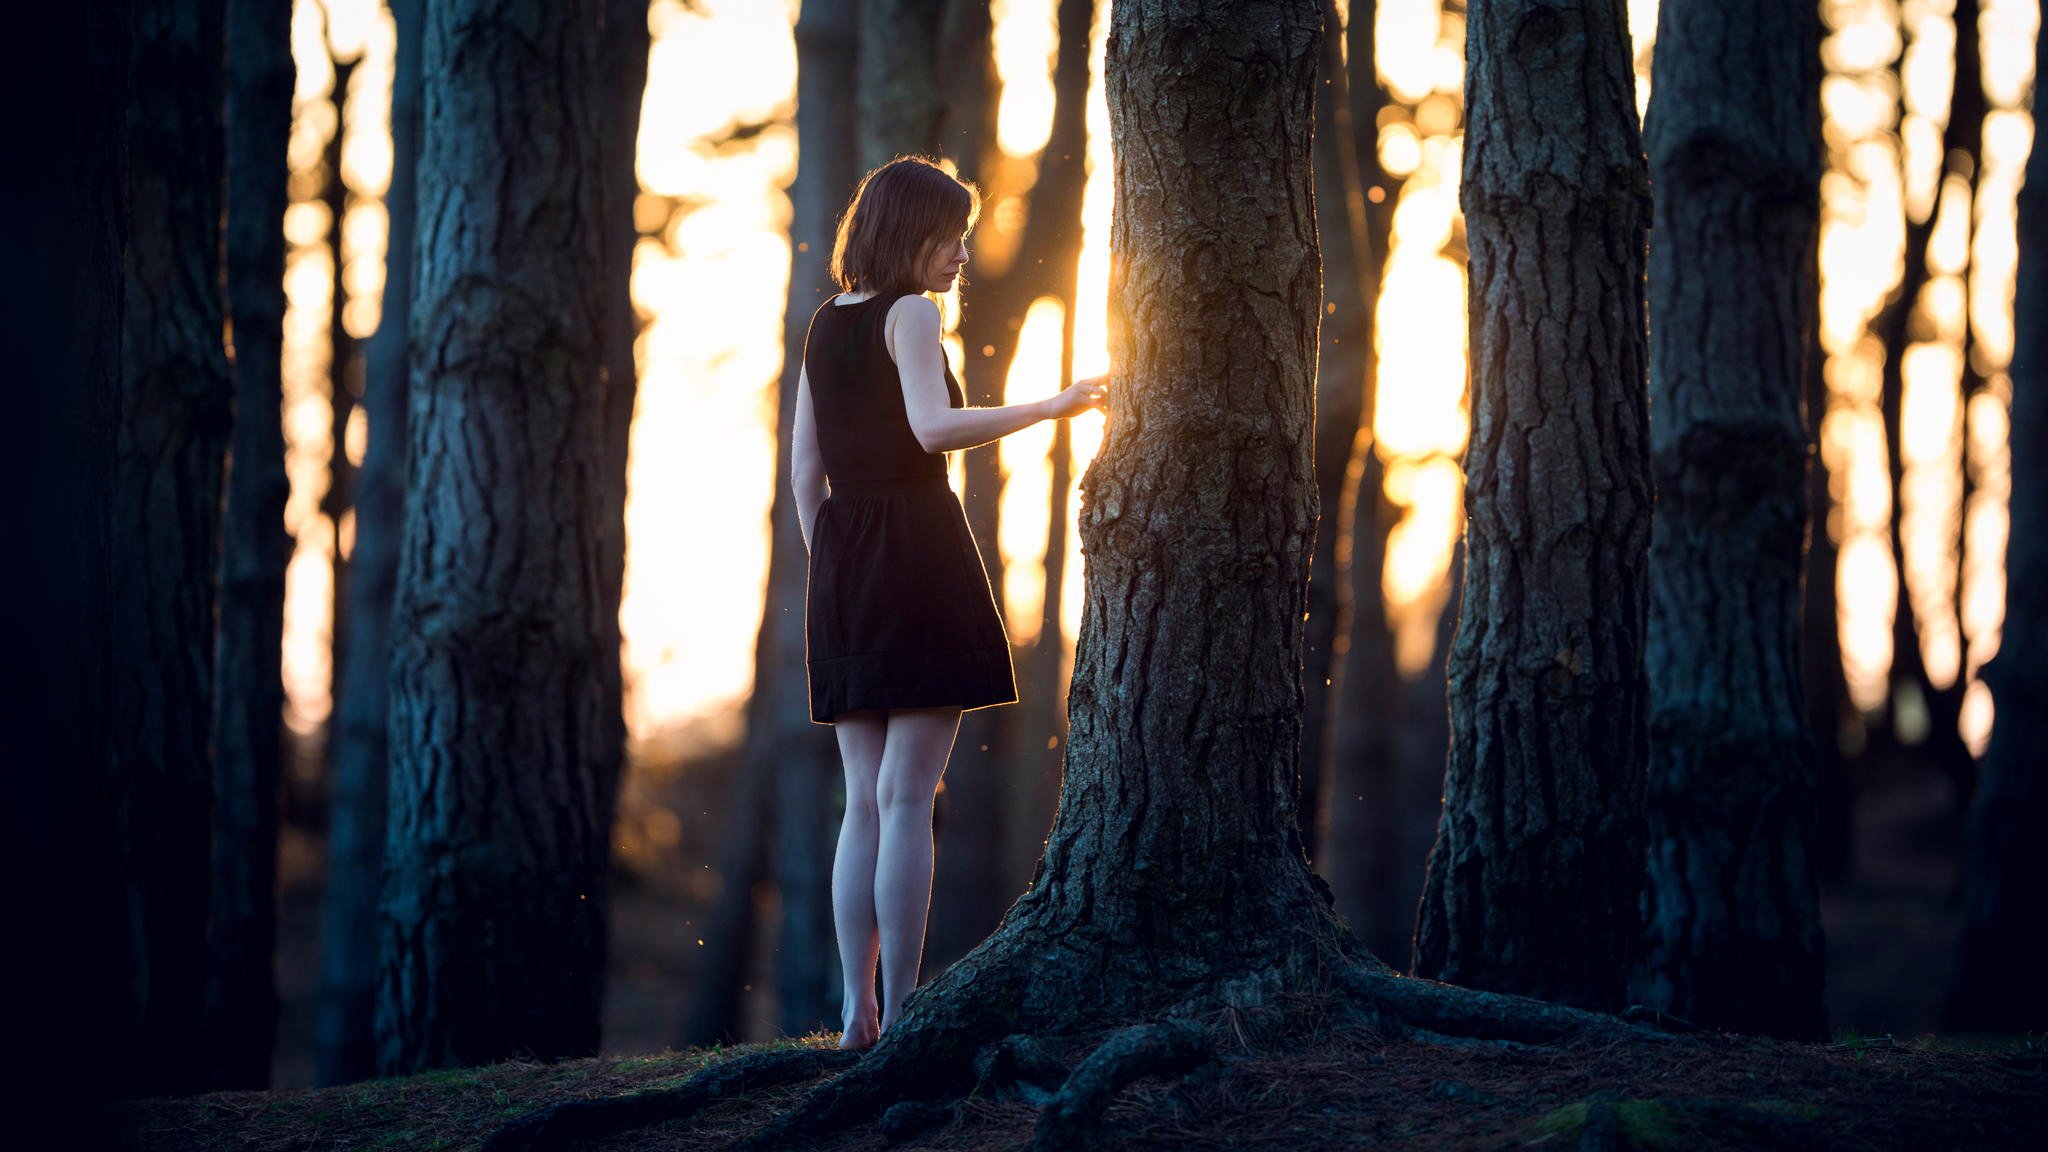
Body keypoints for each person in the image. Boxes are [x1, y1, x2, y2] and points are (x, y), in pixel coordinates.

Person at [789, 155, 1108, 1051]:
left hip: (845, 563)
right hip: (919, 553)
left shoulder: (824, 324)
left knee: (864, 800)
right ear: (910, 233)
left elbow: (805, 471)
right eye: (951, 234)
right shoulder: (913, 314)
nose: (962, 253)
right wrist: (1053, 406)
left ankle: (857, 1012)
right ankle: (905, 1014)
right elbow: (934, 430)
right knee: (907, 799)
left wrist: (836, 571)